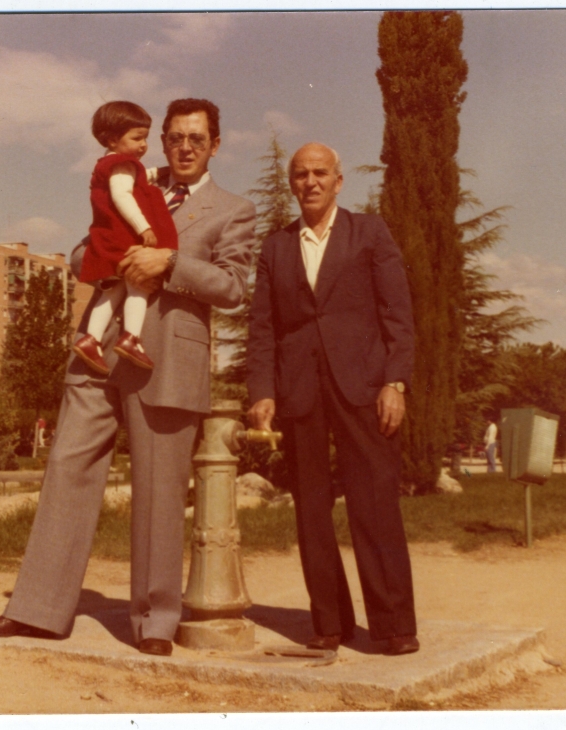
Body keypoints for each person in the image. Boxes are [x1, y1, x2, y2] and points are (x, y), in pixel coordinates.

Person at [0, 99, 256, 657]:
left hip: (170, 359)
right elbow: (83, 255)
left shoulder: (234, 210)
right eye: (175, 137)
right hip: (97, 352)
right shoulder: (132, 178)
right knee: (67, 466)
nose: (185, 147)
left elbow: (234, 288)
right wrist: (104, 254)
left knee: (158, 490)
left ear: (215, 145)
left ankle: (155, 620)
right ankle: (37, 611)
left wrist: (170, 264)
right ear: (163, 140)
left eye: (197, 138)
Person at [246, 143, 419, 656]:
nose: (311, 181)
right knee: (311, 511)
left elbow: (398, 315)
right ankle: (329, 622)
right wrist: (262, 391)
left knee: (375, 505)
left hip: (364, 388)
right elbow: (262, 329)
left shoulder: (370, 233)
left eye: (321, 172)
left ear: (339, 181)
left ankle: (392, 626)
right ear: (293, 184)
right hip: (300, 392)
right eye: (301, 174)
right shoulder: (275, 247)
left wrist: (396, 382)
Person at [73, 101, 178, 374]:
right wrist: (144, 227)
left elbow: (134, 181)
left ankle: (91, 339)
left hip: (107, 239)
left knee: (113, 290)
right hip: (123, 238)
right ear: (112, 139)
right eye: (137, 138)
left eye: (145, 138)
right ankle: (131, 337)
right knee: (138, 284)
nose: (143, 144)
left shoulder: (110, 163)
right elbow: (123, 195)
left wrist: (155, 172)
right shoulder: (122, 164)